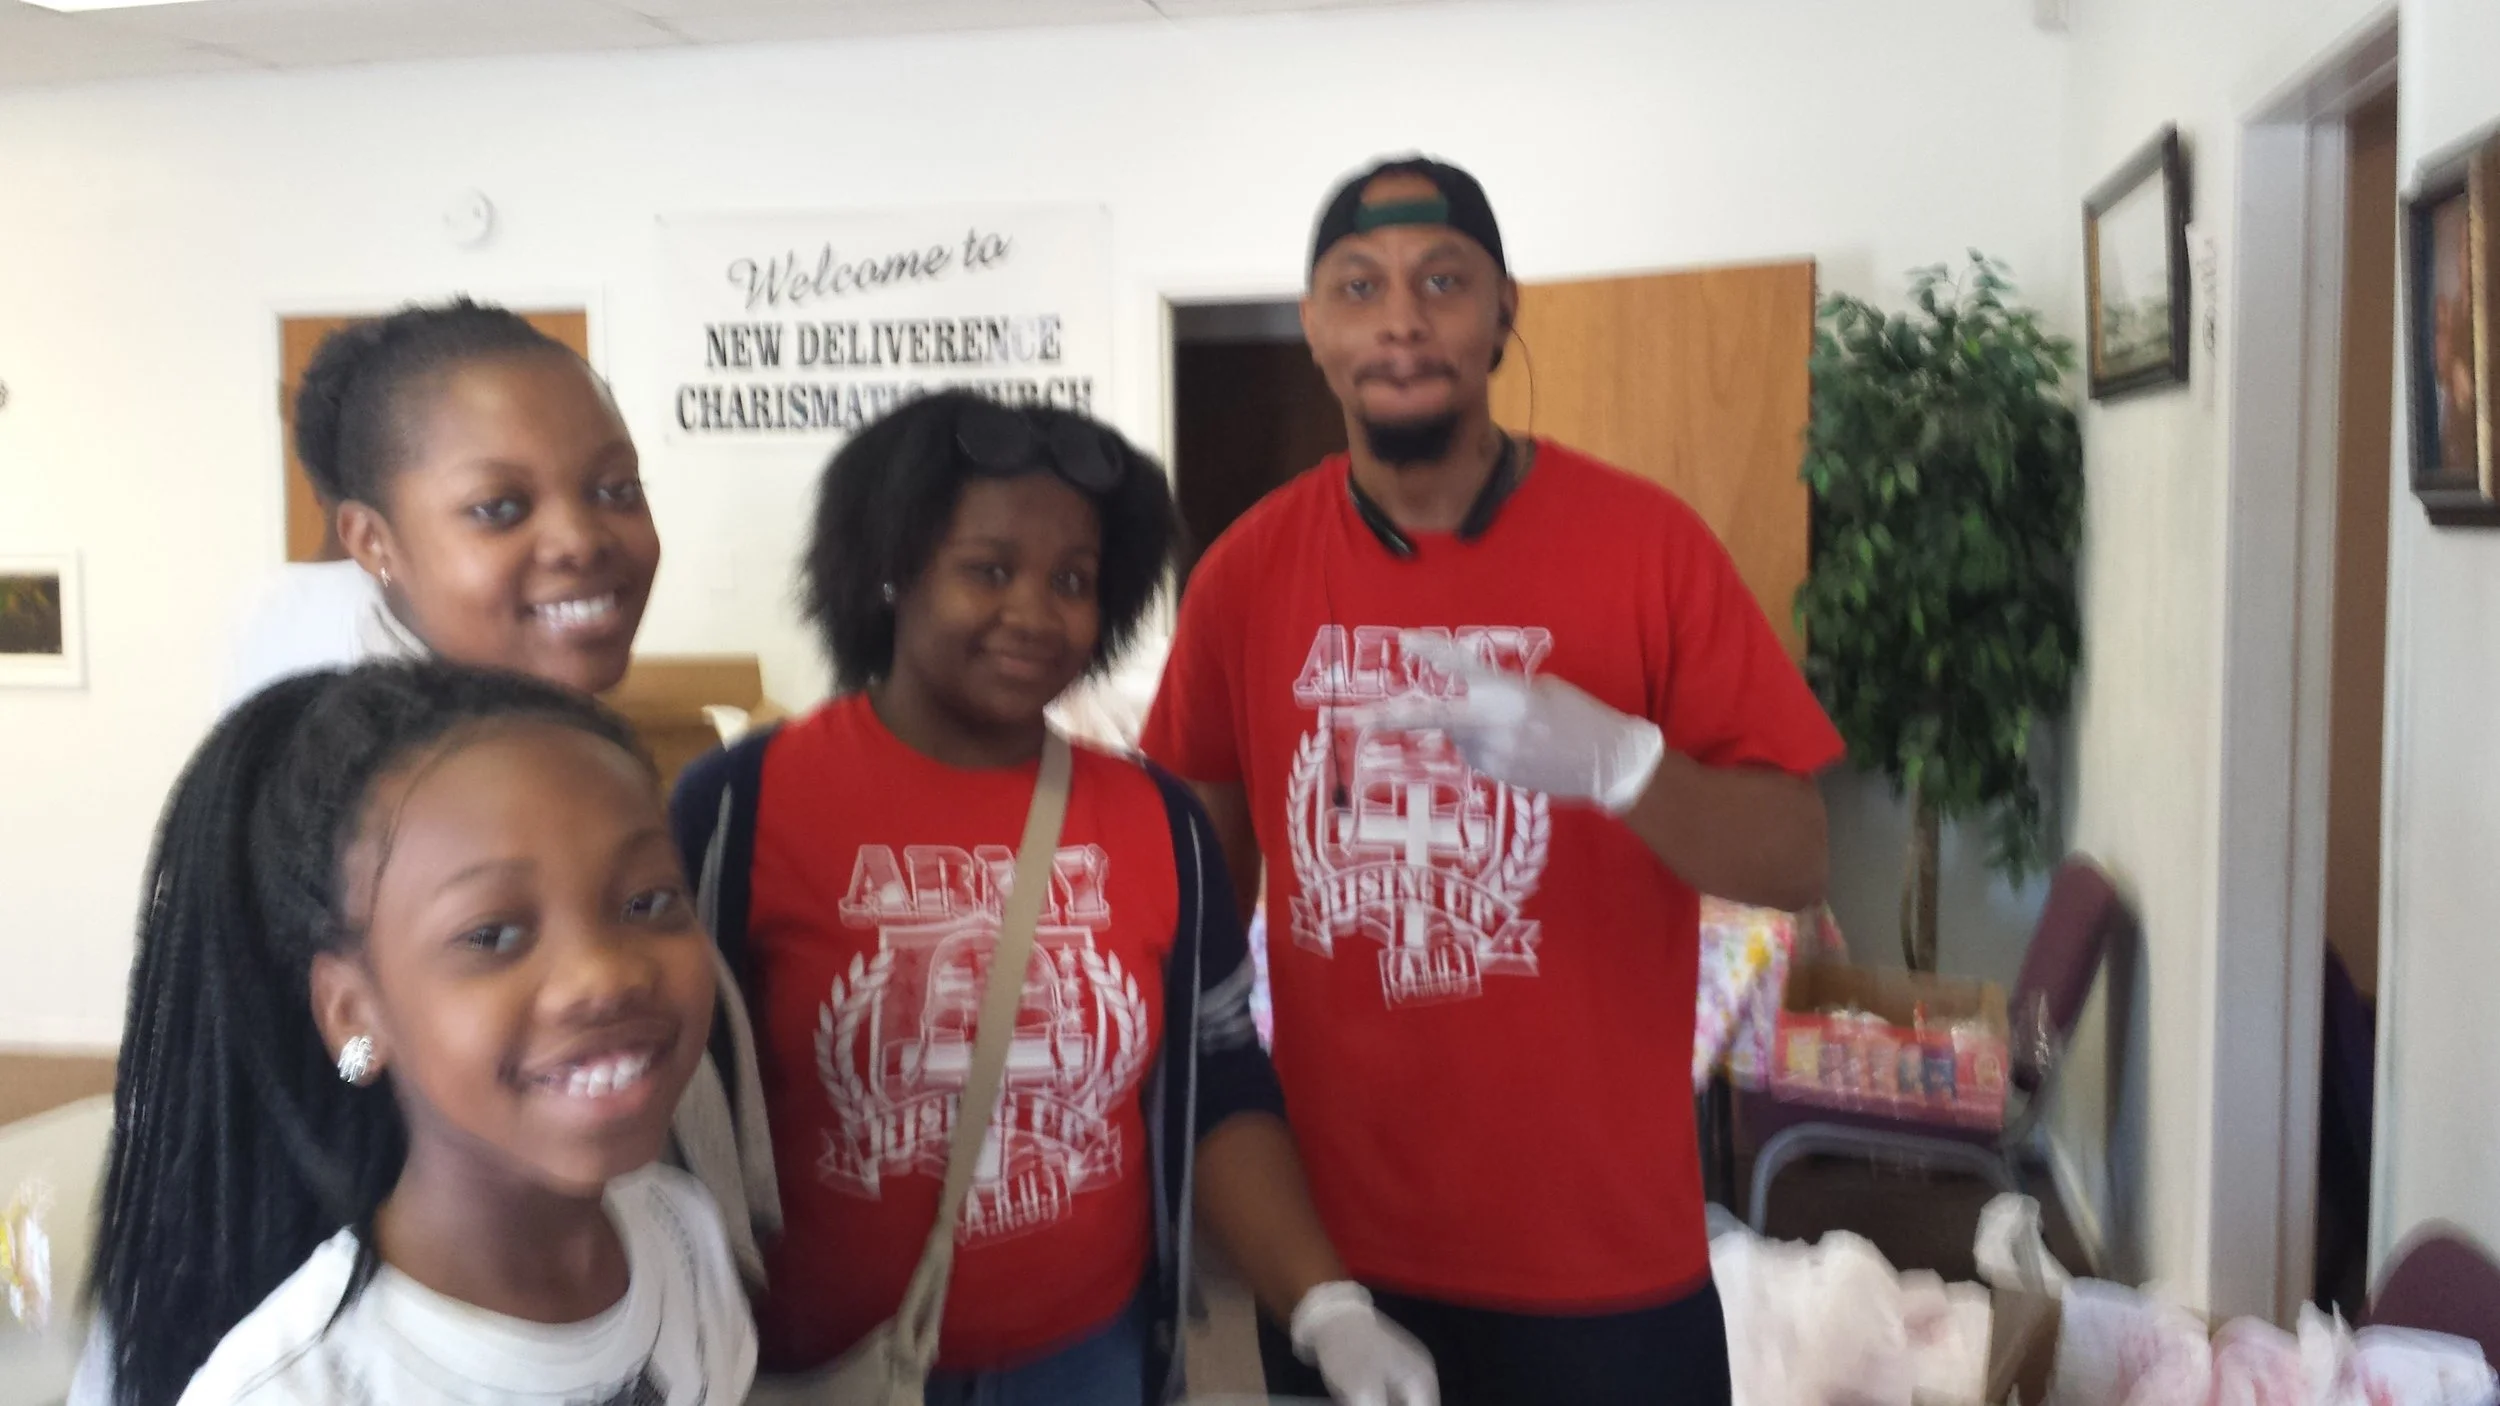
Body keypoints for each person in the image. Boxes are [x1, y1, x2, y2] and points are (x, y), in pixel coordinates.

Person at [1140, 156, 1844, 1406]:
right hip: (1343, 1254)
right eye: (1358, 286)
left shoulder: (1647, 546)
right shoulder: (1246, 573)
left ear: (1503, 310)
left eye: (1441, 280)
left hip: (1603, 1256)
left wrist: (1625, 766)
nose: (1400, 317)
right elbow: (1189, 912)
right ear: (1313, 325)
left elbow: (1795, 855)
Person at [670, 391, 1436, 1406]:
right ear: (892, 569)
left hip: (1085, 1364)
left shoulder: (1160, 819)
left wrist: (1324, 1302)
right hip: (812, 1366)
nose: (1035, 612)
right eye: (988, 569)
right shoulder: (737, 803)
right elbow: (671, 1088)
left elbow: (1219, 1078)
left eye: (1072, 580)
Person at [76, 662, 755, 1406]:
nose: (604, 975)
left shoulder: (685, 1242)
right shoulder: (296, 1389)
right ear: (352, 1014)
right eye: (493, 934)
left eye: (648, 899)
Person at [226, 300, 660, 704]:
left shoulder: (539, 742)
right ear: (372, 541)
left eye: (618, 490)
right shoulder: (383, 776)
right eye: (498, 508)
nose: (580, 542)